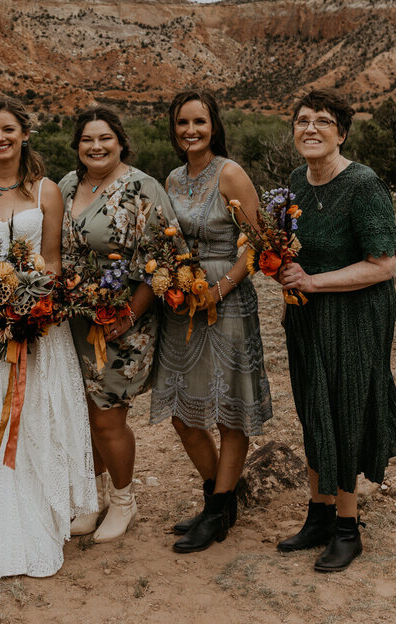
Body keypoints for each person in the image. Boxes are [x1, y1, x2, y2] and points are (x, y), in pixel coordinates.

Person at [0, 96, 95, 578]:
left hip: (37, 322)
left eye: (8, 129)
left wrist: (33, 307)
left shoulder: (45, 190)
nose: (0, 138)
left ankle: (42, 520)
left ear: (24, 133)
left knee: (35, 414)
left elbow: (51, 258)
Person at [276, 89, 396, 572]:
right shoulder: (296, 179)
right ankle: (318, 514)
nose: (311, 128)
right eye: (303, 120)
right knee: (313, 402)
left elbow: (384, 264)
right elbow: (294, 247)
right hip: (308, 314)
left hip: (356, 315)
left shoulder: (363, 184)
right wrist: (287, 278)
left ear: (342, 133)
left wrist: (313, 281)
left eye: (324, 121)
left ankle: (348, 529)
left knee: (346, 407)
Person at [150, 91, 273, 553]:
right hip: (184, 302)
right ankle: (218, 497)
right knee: (183, 412)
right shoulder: (173, 178)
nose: (190, 131)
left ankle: (218, 510)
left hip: (228, 298)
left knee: (229, 409)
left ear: (213, 125)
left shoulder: (231, 173)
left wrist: (220, 289)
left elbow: (258, 242)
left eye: (199, 122)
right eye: (182, 123)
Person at [58, 107, 174, 542]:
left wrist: (128, 315)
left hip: (123, 324)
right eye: (87, 139)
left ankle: (125, 502)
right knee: (85, 417)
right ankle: (95, 498)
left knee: (108, 418)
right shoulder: (68, 185)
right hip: (74, 322)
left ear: (121, 141)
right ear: (78, 146)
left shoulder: (144, 188)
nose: (96, 146)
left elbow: (162, 258)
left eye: (105, 138)